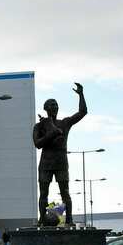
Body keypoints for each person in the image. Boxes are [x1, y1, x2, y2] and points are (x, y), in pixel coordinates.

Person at [32, 83, 87, 225]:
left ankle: (69, 218)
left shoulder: (65, 123)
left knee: (65, 192)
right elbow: (37, 144)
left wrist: (81, 94)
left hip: (61, 162)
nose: (54, 107)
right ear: (46, 109)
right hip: (45, 163)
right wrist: (51, 133)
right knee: (43, 194)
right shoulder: (39, 126)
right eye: (51, 105)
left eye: (56, 105)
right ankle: (42, 218)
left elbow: (82, 112)